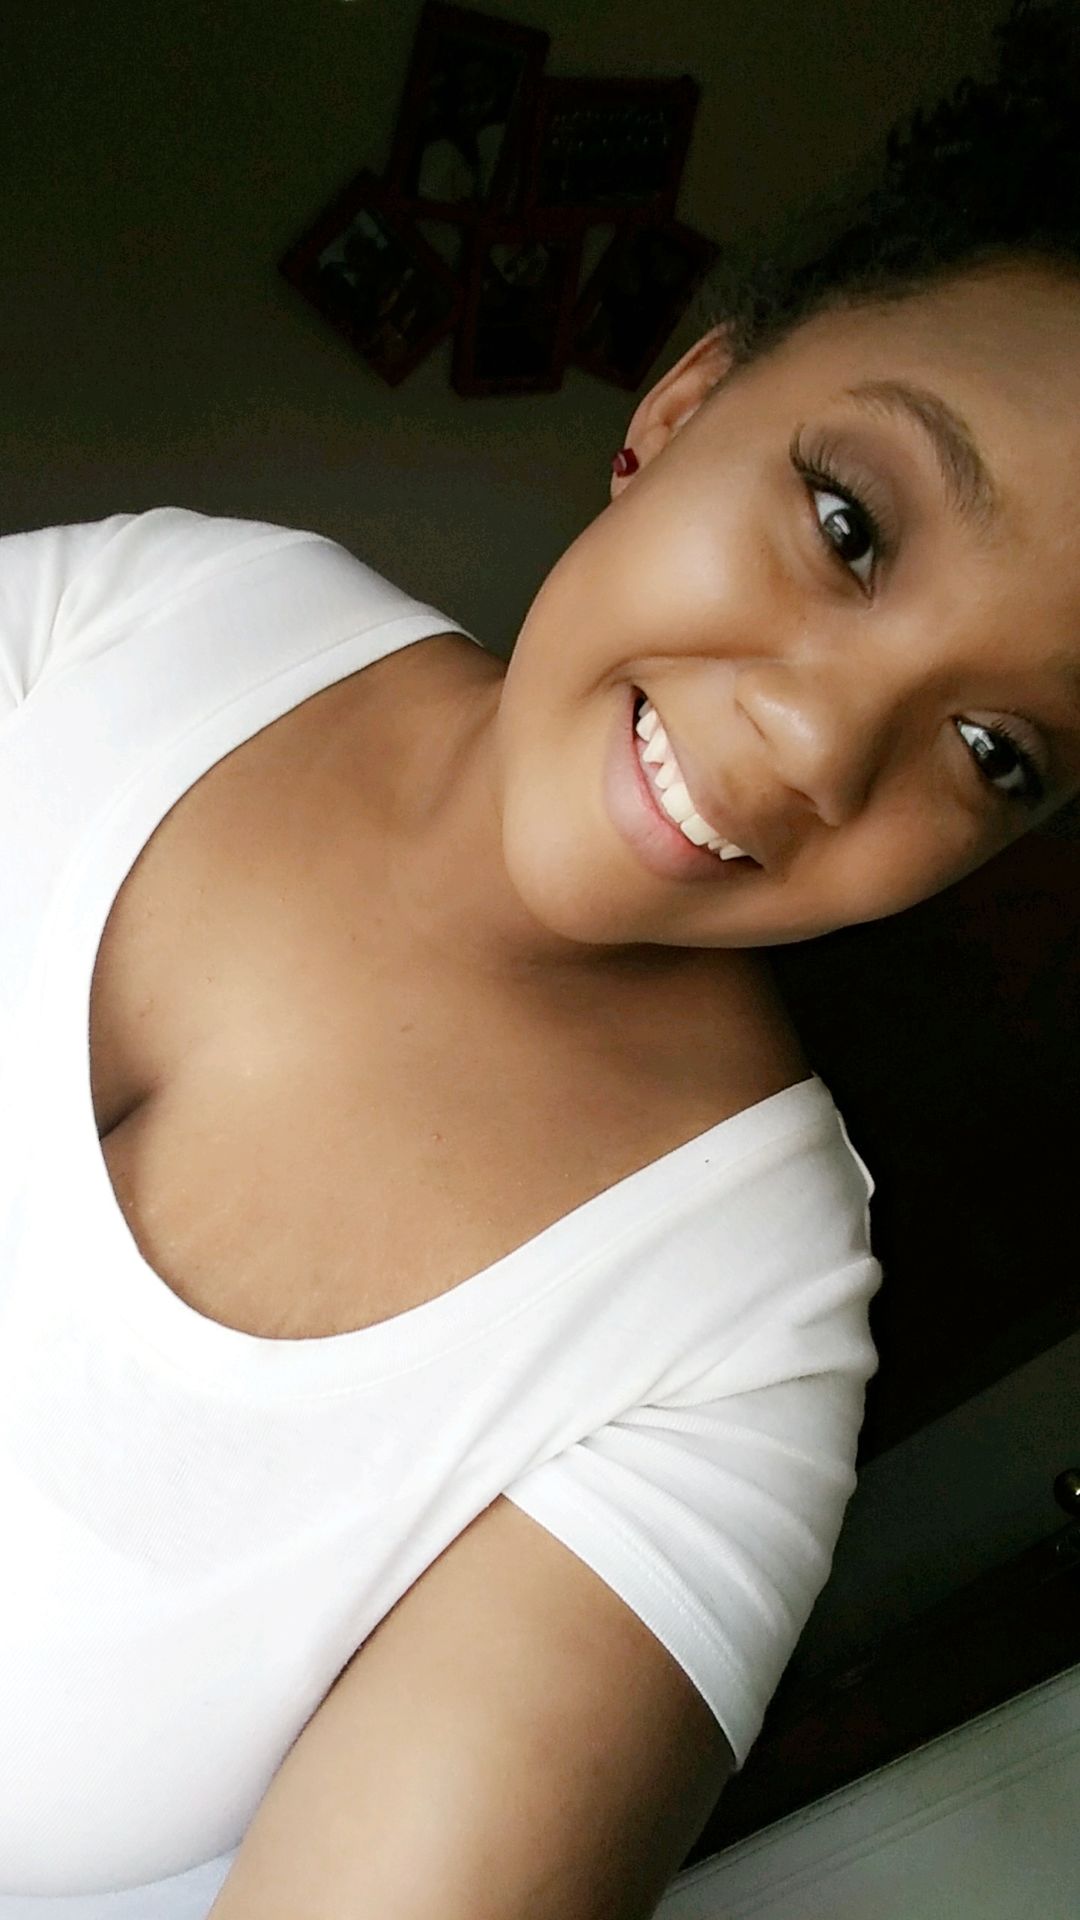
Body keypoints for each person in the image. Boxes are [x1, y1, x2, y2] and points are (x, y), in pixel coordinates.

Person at [1, 3, 1077, 1915]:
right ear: (681, 408)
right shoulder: (166, 602)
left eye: (1000, 754)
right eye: (850, 526)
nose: (821, 747)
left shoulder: (733, 1353)